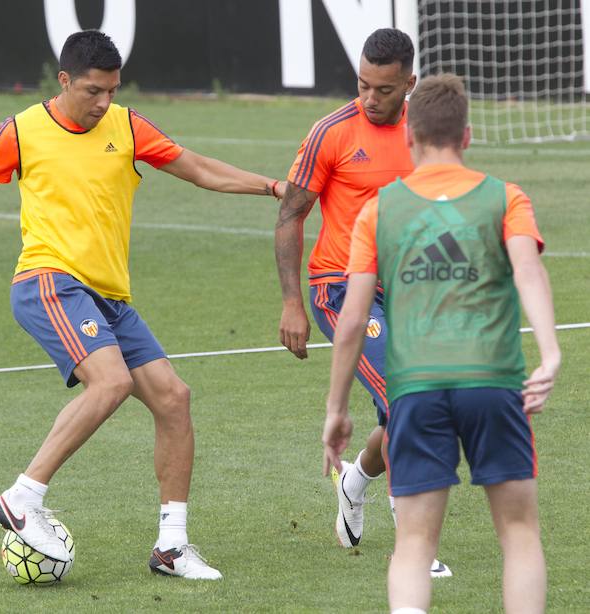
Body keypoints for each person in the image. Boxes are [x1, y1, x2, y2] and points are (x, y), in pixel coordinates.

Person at [0, 30, 286, 579]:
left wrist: (270, 187)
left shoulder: (126, 125)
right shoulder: (20, 131)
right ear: (65, 81)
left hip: (110, 297)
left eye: (112, 91)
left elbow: (196, 168)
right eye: (93, 91)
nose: (103, 103)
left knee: (174, 399)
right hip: (48, 282)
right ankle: (23, 496)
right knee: (112, 381)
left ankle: (171, 547)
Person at [321, 73, 557, 614]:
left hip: (416, 391)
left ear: (409, 138)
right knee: (519, 533)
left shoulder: (379, 209)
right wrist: (550, 351)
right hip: (494, 385)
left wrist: (336, 409)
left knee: (414, 544)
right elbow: (529, 272)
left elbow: (353, 318)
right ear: (467, 137)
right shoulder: (506, 197)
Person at [274, 27, 450, 575]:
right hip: (340, 290)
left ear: (410, 85)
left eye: (383, 89)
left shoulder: (425, 134)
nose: (370, 98)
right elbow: (290, 215)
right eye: (362, 85)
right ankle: (416, 546)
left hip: (408, 289)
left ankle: (356, 479)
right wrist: (292, 304)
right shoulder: (331, 132)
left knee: (407, 413)